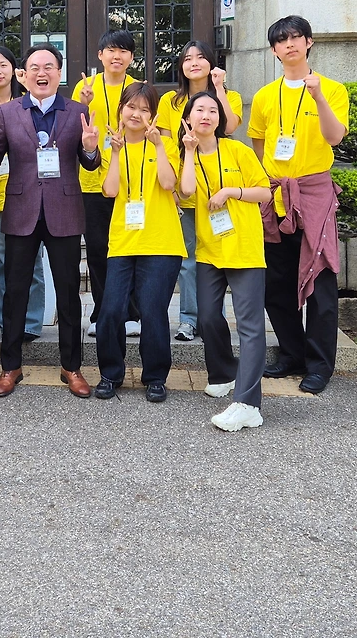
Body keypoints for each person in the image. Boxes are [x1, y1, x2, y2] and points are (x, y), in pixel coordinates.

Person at [0, 43, 100, 398]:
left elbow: (90, 164)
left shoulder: (77, 111)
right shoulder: (8, 112)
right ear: (24, 75)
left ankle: (71, 367)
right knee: (15, 291)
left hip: (64, 210)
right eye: (34, 67)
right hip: (21, 210)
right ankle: (10, 367)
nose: (41, 73)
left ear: (59, 73)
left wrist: (90, 147)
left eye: (49, 67)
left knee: (68, 293)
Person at [248, 15, 349, 395]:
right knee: (276, 282)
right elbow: (259, 144)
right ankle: (291, 353)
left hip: (315, 193)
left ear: (309, 42)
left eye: (295, 37)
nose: (289, 44)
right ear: (274, 50)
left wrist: (318, 96)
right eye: (281, 40)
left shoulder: (332, 89)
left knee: (320, 279)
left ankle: (320, 365)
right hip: (277, 195)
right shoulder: (264, 96)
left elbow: (334, 137)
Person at [177, 91, 274, 431]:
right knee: (206, 316)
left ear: (220, 119)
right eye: (199, 110)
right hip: (209, 249)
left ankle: (248, 403)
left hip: (244, 248)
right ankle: (222, 372)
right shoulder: (185, 156)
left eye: (213, 110)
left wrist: (231, 191)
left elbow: (265, 192)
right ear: (188, 118)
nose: (206, 115)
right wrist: (190, 151)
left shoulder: (238, 151)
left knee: (250, 327)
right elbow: (186, 192)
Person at [93, 83, 185, 402]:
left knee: (153, 311)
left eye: (145, 109)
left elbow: (168, 183)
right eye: (131, 107)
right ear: (121, 110)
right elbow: (110, 190)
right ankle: (111, 373)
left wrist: (158, 145)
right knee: (110, 310)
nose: (137, 114)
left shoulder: (166, 144)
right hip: (123, 241)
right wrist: (116, 152)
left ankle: (155, 377)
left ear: (154, 115)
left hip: (162, 242)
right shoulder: (112, 148)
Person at [156, 40, 244, 342]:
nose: (194, 63)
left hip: (219, 190)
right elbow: (166, 145)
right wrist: (172, 186)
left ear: (211, 63)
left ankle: (213, 320)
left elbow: (229, 127)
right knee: (189, 260)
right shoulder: (170, 101)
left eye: (200, 57)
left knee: (219, 256)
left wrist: (218, 89)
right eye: (187, 58)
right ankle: (189, 319)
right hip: (185, 186)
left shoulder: (230, 96)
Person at [70, 30, 142, 337]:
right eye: (111, 50)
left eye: (123, 51)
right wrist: (83, 104)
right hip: (92, 181)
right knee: (98, 249)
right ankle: (101, 312)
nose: (117, 56)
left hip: (129, 182)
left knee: (130, 247)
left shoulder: (138, 88)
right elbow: (74, 129)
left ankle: (131, 313)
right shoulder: (85, 87)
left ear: (131, 57)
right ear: (100, 55)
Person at [0, 45, 47, 340]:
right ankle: (8, 321)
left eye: (3, 65)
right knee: (4, 261)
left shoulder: (28, 104)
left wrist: (27, 84)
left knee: (33, 261)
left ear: (14, 69)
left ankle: (31, 322)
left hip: (30, 195)